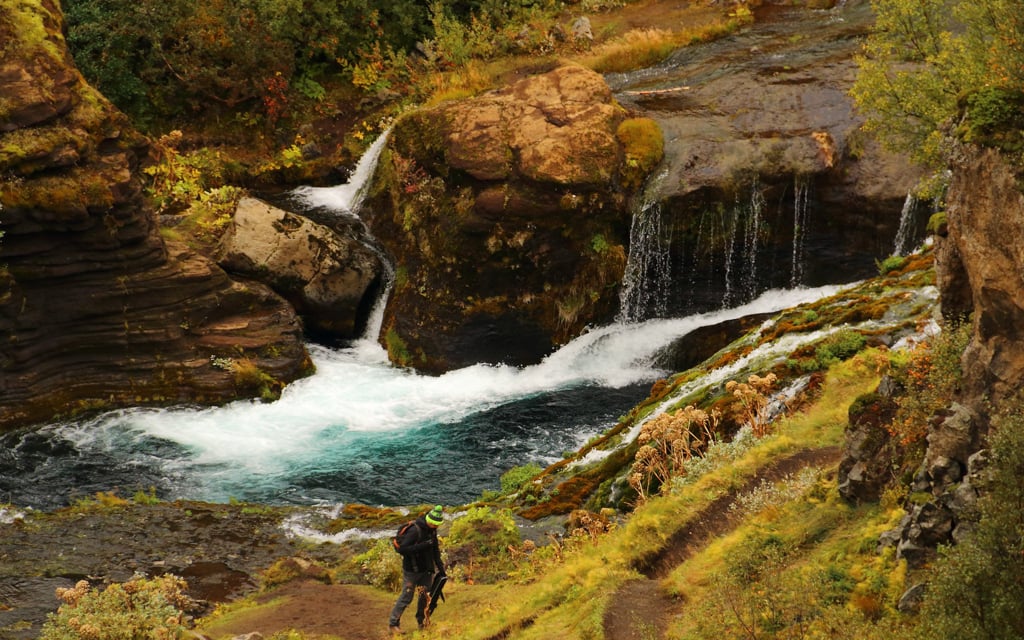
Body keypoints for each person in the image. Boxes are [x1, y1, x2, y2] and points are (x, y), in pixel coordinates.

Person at [388, 505, 446, 634]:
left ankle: (422, 623)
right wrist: (423, 546)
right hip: (411, 571)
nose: (436, 527)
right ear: (429, 521)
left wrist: (441, 569)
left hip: (426, 570)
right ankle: (393, 624)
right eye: (435, 524)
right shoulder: (415, 531)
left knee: (424, 597)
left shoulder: (432, 530)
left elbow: (435, 550)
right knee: (406, 597)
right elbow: (403, 549)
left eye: (438, 525)